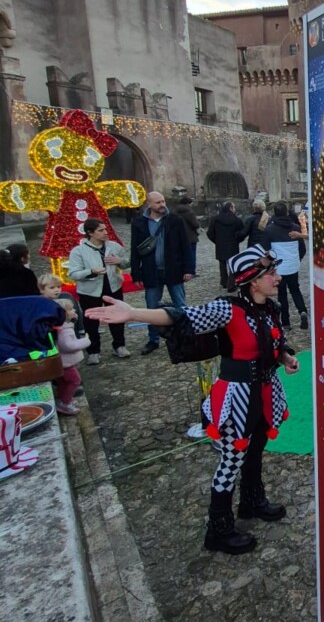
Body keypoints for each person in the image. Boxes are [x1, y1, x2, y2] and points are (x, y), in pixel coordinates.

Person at [86, 245, 299, 555]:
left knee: (256, 448)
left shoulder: (270, 309)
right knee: (231, 460)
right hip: (237, 396)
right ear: (253, 281)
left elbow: (273, 342)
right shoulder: (228, 309)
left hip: (265, 391)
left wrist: (286, 357)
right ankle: (219, 529)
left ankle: (252, 502)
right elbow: (180, 315)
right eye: (272, 274)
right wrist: (132, 312)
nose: (278, 278)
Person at [130, 191, 193, 356]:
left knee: (180, 305)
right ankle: (153, 340)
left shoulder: (175, 220)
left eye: (163, 201)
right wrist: (136, 274)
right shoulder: (139, 223)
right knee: (151, 307)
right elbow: (134, 250)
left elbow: (185, 246)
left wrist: (189, 269)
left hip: (174, 270)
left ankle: (184, 336)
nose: (162, 204)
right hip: (151, 271)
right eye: (158, 202)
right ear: (149, 204)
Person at [67, 218, 130, 363]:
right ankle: (93, 351)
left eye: (105, 229)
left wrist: (120, 261)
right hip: (90, 291)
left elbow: (126, 263)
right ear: (90, 233)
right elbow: (73, 273)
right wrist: (91, 271)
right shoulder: (78, 251)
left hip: (113, 287)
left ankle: (119, 346)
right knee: (91, 321)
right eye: (100, 230)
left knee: (117, 317)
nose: (105, 233)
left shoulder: (114, 246)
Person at [264, 201, 308, 330]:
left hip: (279, 268)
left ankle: (286, 322)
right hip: (293, 265)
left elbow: (267, 250)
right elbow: (302, 249)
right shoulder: (295, 228)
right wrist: (296, 259)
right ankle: (302, 311)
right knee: (295, 290)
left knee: (282, 294)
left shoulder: (269, 230)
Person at [51, 294, 91, 416]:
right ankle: (65, 403)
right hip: (66, 363)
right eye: (71, 309)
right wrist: (86, 341)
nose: (74, 310)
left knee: (63, 382)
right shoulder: (65, 329)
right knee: (75, 381)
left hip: (60, 362)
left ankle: (63, 399)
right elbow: (69, 345)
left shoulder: (59, 326)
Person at [206, 201, 248, 287]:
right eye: (234, 207)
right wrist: (238, 240)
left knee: (222, 263)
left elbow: (210, 233)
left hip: (220, 244)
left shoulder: (215, 219)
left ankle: (224, 281)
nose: (235, 209)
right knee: (233, 263)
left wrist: (216, 241)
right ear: (230, 208)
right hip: (233, 244)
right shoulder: (237, 220)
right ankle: (231, 283)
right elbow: (242, 233)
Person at [175, 196, 201, 274]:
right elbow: (195, 224)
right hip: (191, 236)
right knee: (192, 254)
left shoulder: (175, 212)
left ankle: (183, 270)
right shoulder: (189, 212)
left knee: (182, 254)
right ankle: (191, 271)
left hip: (179, 236)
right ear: (187, 203)